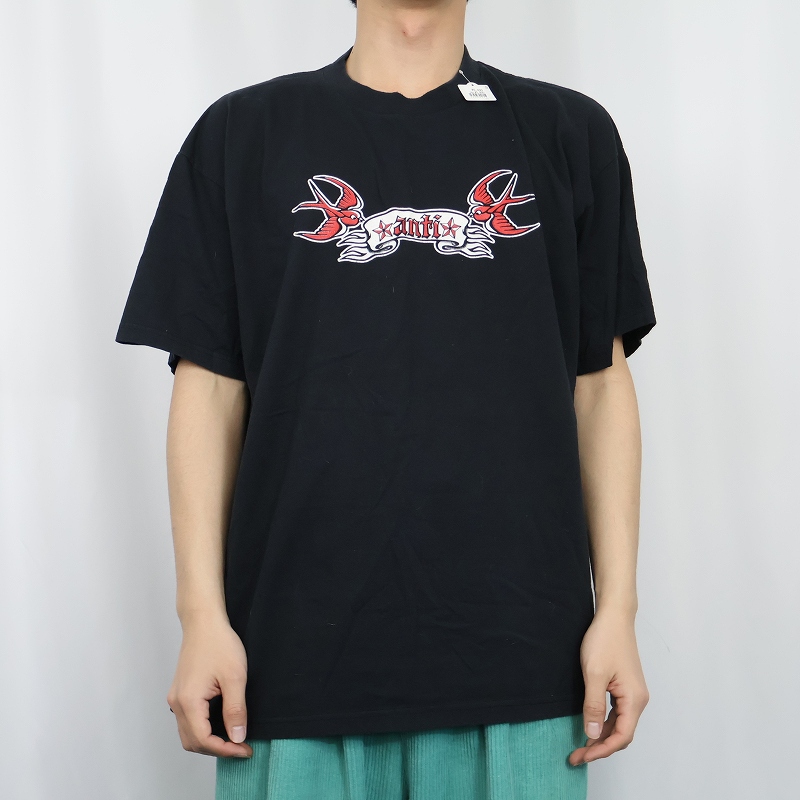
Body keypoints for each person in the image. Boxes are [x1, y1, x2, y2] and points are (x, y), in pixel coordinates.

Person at [115, 0, 656, 797]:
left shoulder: (570, 134)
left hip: (527, 661)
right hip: (291, 662)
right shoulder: (241, 135)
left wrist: (618, 612)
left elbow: (600, 388)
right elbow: (210, 389)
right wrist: (201, 618)